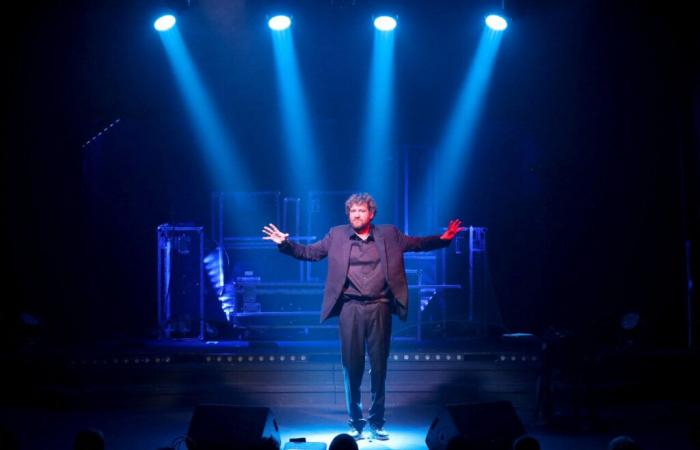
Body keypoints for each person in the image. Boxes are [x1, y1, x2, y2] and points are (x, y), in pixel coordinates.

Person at [263, 192, 463, 441]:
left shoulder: (389, 234)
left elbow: (417, 243)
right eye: (352, 211)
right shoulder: (337, 235)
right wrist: (285, 244)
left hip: (380, 307)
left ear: (371, 214)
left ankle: (377, 423)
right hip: (350, 308)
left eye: (361, 211)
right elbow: (310, 253)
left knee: (379, 366)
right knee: (352, 367)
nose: (356, 215)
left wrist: (443, 239)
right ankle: (355, 423)